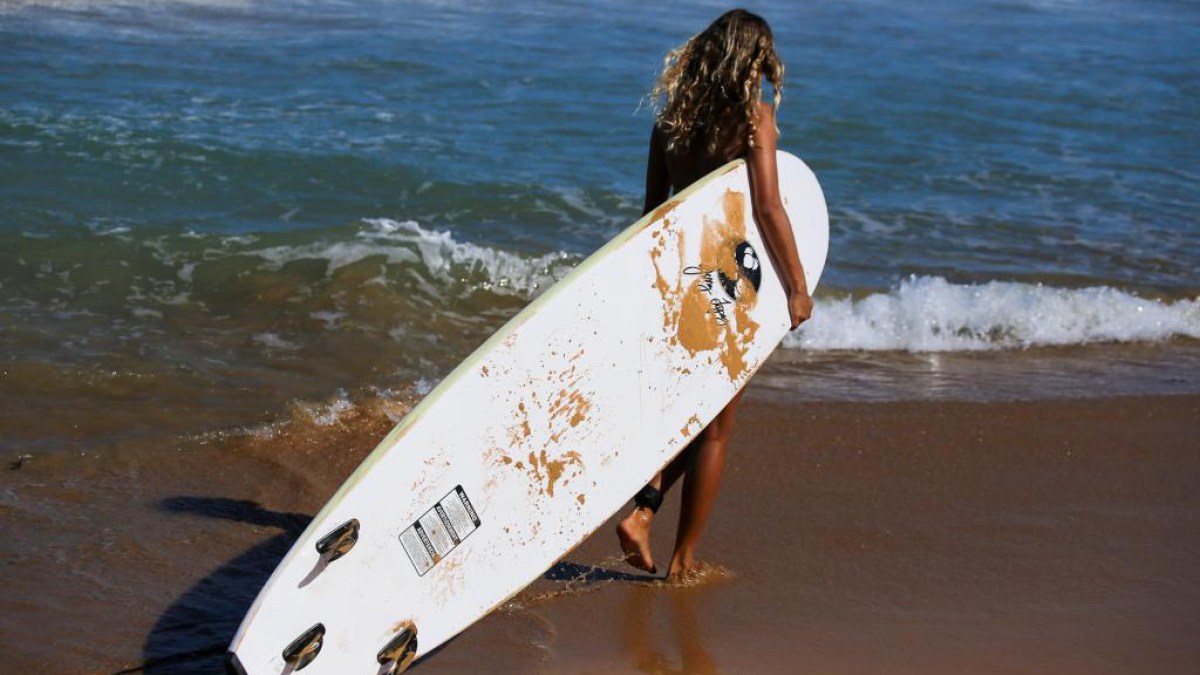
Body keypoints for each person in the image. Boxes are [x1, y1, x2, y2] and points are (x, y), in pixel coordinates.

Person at [616, 9, 813, 580]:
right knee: (715, 427)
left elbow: (651, 217)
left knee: (689, 415)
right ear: (750, 61)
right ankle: (683, 560)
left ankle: (643, 515)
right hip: (728, 283)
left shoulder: (670, 120)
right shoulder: (755, 118)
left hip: (678, 280)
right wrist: (797, 287)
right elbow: (770, 207)